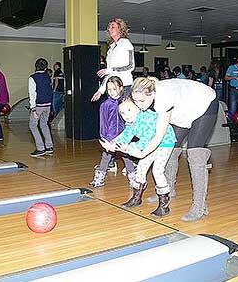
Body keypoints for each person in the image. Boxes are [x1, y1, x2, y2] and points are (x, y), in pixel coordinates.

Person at [124, 76, 217, 222]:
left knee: (195, 154)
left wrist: (141, 153)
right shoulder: (146, 97)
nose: (139, 105)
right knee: (172, 148)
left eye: (142, 101)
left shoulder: (163, 99)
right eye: (135, 101)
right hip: (183, 110)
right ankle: (169, 190)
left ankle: (199, 206)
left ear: (152, 94)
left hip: (203, 105)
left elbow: (159, 137)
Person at [102, 98, 176, 217]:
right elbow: (126, 135)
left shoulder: (147, 118)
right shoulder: (131, 122)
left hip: (165, 142)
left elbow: (145, 142)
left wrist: (128, 148)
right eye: (122, 113)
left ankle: (164, 205)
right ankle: (137, 198)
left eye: (129, 110)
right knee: (141, 168)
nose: (126, 115)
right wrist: (113, 145)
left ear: (137, 107)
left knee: (157, 171)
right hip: (150, 144)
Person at [89, 76, 136, 188]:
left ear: (120, 88)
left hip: (123, 137)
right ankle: (99, 179)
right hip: (110, 137)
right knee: (105, 158)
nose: (111, 92)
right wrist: (104, 137)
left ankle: (134, 180)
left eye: (114, 89)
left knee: (127, 157)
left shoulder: (126, 103)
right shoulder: (105, 105)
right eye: (109, 90)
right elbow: (103, 122)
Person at [91, 18, 135, 101]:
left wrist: (110, 70)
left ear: (120, 29)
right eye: (109, 27)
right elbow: (109, 73)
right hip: (112, 87)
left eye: (113, 27)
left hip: (125, 86)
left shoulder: (125, 43)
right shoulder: (111, 48)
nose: (109, 29)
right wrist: (100, 91)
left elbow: (131, 66)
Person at [29, 58, 54, 157]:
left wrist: (33, 108)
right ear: (46, 67)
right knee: (44, 124)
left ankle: (40, 148)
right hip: (48, 105)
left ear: (36, 66)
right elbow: (50, 90)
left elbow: (32, 93)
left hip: (38, 106)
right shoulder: (47, 77)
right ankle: (49, 146)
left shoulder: (33, 77)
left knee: (33, 125)